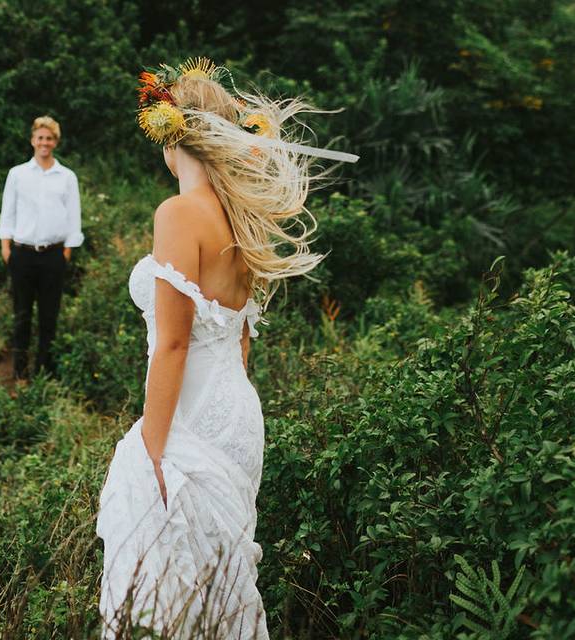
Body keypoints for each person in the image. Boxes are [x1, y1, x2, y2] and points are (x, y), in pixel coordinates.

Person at [95, 58, 358, 638]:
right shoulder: (244, 220)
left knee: (166, 590)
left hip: (187, 417)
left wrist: (153, 451)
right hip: (237, 413)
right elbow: (240, 343)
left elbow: (172, 343)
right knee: (223, 575)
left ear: (171, 140)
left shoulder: (177, 213)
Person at [0, 116, 83, 379]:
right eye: (40, 137)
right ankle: (20, 373)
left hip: (54, 255)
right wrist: (6, 247)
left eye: (49, 138)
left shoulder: (66, 177)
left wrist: (67, 251)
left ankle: (45, 370)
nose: (44, 142)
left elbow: (73, 216)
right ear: (33, 140)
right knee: (22, 314)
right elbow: (7, 212)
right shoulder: (18, 174)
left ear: (55, 142)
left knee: (49, 316)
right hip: (22, 254)